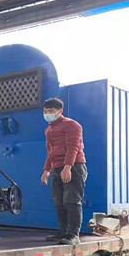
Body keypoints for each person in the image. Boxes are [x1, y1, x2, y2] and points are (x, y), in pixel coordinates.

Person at [40, 98, 87, 245]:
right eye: (45, 111)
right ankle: (63, 231)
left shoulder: (72, 125)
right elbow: (50, 152)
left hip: (74, 167)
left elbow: (73, 148)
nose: (47, 114)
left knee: (71, 201)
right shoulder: (49, 129)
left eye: (51, 111)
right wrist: (46, 170)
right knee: (59, 202)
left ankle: (73, 235)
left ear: (60, 111)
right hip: (56, 167)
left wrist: (68, 167)